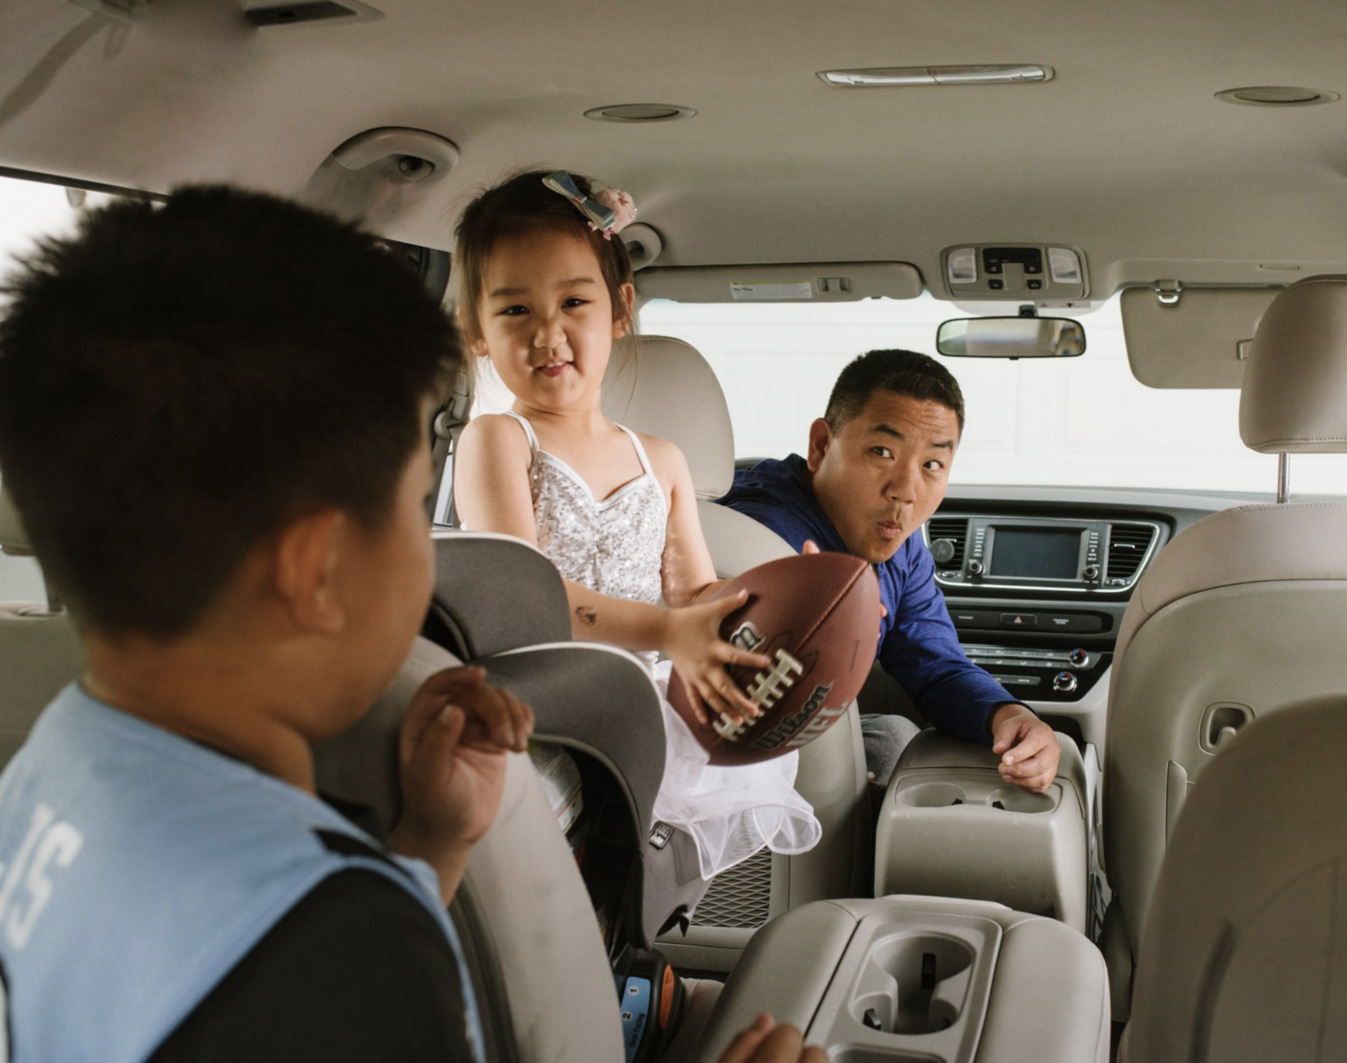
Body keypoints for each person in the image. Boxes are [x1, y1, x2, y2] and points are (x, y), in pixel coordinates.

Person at [0, 185, 825, 1063]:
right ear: (319, 570)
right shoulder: (344, 944)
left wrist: (426, 847)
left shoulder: (54, 755)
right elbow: (316, 976)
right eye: (409, 505)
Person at [451, 169, 818, 879]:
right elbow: (522, 599)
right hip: (547, 712)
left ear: (620, 308)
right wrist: (665, 633)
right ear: (477, 330)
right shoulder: (496, 440)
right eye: (515, 311)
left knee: (626, 895)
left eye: (573, 301)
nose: (548, 333)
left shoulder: (662, 460)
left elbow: (691, 595)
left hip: (645, 716)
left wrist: (781, 593)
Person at [720, 349, 1062, 793]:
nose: (905, 491)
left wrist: (1010, 715)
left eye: (931, 465)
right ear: (821, 446)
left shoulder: (898, 545)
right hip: (737, 760)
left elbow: (936, 665)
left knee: (894, 736)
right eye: (882, 452)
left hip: (807, 740)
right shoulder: (759, 534)